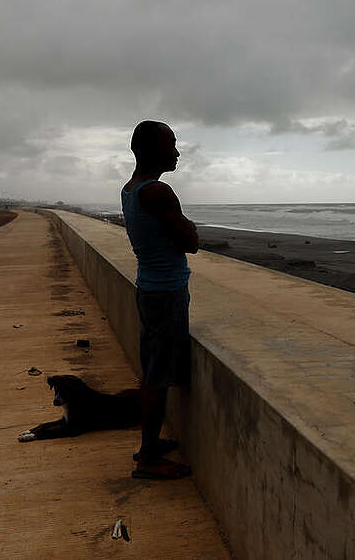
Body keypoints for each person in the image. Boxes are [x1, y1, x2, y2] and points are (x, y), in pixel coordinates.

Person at [121, 121, 199, 479]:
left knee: (154, 369)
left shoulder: (131, 189)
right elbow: (190, 241)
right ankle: (149, 457)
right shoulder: (157, 192)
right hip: (165, 293)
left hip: (151, 288)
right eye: (172, 144)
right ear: (153, 150)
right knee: (157, 374)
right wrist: (189, 226)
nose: (177, 152)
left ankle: (149, 445)